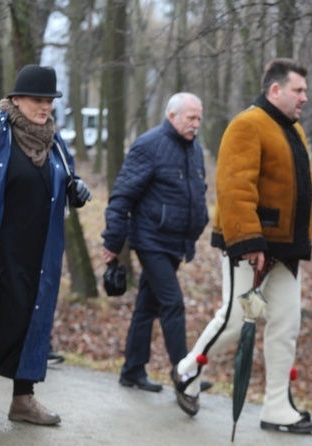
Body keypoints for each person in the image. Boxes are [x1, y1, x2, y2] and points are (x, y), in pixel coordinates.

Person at [172, 58, 312, 435]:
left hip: (285, 250)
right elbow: (235, 186)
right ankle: (187, 370)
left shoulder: (293, 130)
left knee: (287, 322)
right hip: (250, 246)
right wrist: (250, 241)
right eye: (298, 90)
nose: (305, 97)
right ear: (275, 90)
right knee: (235, 321)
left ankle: (277, 407)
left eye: (304, 90)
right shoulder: (247, 124)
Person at [0, 65, 91, 425]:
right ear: (17, 100)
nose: (45, 107)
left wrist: (77, 187)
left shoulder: (55, 142)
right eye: (38, 100)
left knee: (31, 322)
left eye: (49, 101)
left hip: (40, 253)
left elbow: (68, 177)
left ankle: (23, 400)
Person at [102, 92, 209, 393]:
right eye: (191, 118)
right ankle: (184, 372)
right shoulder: (149, 146)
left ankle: (132, 370)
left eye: (199, 118)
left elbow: (196, 193)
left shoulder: (194, 150)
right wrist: (113, 241)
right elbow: (122, 195)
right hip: (151, 240)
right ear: (172, 116)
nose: (196, 124)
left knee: (146, 307)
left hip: (176, 242)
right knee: (172, 303)